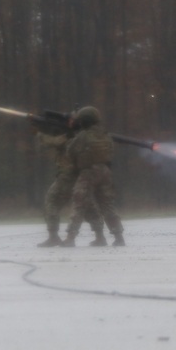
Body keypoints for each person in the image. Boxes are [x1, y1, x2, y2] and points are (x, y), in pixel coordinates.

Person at [62, 106, 125, 247]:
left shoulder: (83, 136)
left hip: (88, 172)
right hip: (105, 171)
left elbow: (70, 151)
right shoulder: (105, 134)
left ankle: (70, 237)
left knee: (79, 203)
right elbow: (110, 152)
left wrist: (72, 133)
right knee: (107, 205)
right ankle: (119, 237)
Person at [34, 111, 92, 247]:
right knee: (88, 206)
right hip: (79, 175)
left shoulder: (71, 137)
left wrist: (40, 134)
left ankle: (53, 236)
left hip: (67, 175)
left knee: (51, 201)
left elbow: (53, 141)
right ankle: (101, 235)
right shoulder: (84, 136)